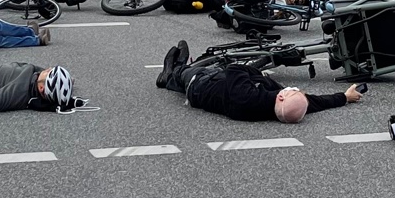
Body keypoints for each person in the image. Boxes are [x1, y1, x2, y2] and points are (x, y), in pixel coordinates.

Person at [156, 40, 364, 122]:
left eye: (291, 91)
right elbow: (317, 102)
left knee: (188, 73)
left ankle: (172, 71)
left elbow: (235, 69)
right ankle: (174, 77)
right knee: (207, 73)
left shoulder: (247, 97)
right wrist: (344, 97)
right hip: (217, 89)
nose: (293, 89)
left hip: (200, 88)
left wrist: (259, 74)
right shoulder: (284, 109)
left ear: (281, 98)